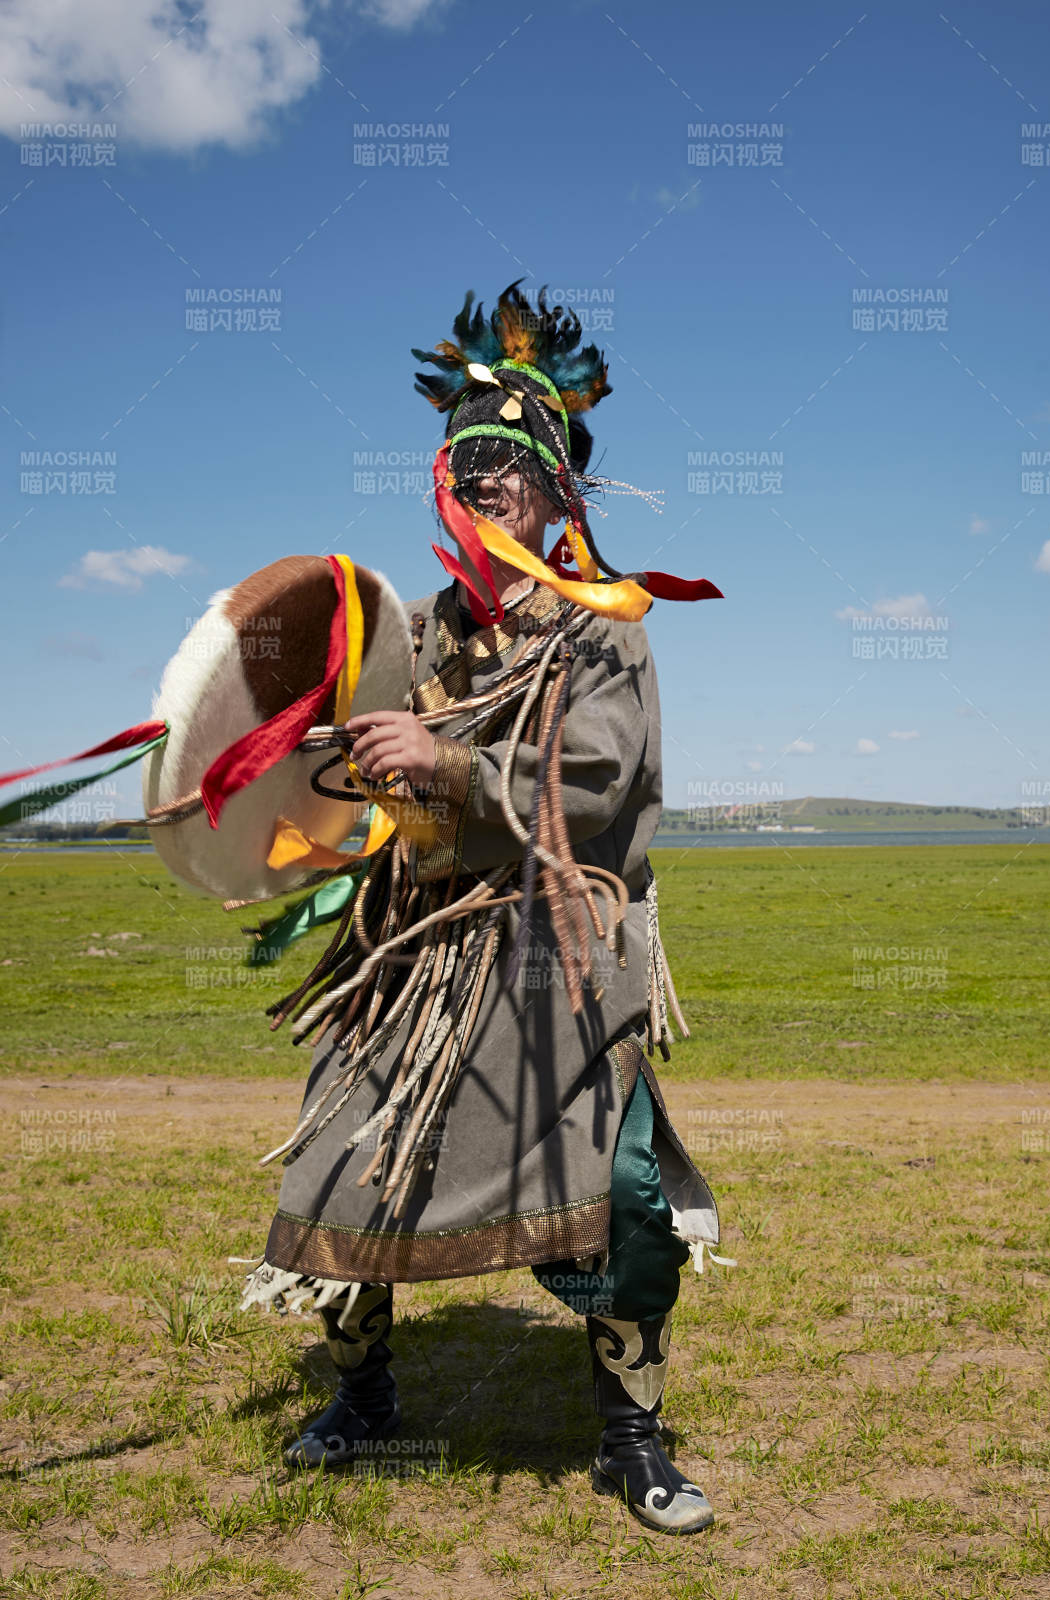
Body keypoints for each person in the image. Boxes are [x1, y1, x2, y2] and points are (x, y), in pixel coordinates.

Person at [240, 282, 727, 1535]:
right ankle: (365, 1397)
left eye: (513, 461)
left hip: (556, 950)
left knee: (615, 1191)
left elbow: (603, 773)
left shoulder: (601, 626)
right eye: (465, 460)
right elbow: (334, 753)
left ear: (563, 488)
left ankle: (631, 1438)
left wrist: (451, 764)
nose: (487, 478)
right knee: (346, 1153)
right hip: (418, 949)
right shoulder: (414, 630)